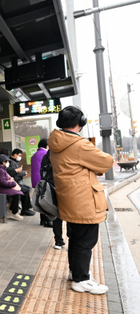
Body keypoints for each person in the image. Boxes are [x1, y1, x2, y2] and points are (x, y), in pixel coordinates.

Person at [48, 106, 113, 294]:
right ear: (81, 122)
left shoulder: (56, 142)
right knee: (85, 241)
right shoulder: (79, 144)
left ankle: (75, 272)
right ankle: (81, 280)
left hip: (69, 199)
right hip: (84, 200)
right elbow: (106, 162)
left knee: (75, 239)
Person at [0, 154, 24, 221]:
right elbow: (2, 182)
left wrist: (10, 181)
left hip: (1, 187)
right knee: (16, 194)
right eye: (7, 162)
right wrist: (13, 183)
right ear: (3, 162)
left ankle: (11, 209)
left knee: (18, 192)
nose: (8, 163)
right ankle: (13, 213)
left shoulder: (0, 169)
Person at [7, 148, 35, 217]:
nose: (20, 157)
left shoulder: (14, 162)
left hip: (16, 183)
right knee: (25, 190)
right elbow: (15, 172)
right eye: (19, 155)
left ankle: (27, 208)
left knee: (28, 188)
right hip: (15, 183)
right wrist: (23, 173)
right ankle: (25, 209)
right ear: (15, 154)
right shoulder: (11, 162)